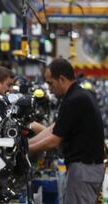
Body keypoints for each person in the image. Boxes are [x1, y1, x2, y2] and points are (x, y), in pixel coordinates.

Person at [28, 58, 105, 204]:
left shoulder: (74, 100)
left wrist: (26, 150)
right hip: (86, 169)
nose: (49, 88)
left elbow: (53, 140)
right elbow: (54, 129)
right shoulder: (78, 95)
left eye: (51, 83)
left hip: (84, 169)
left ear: (62, 79)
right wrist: (27, 142)